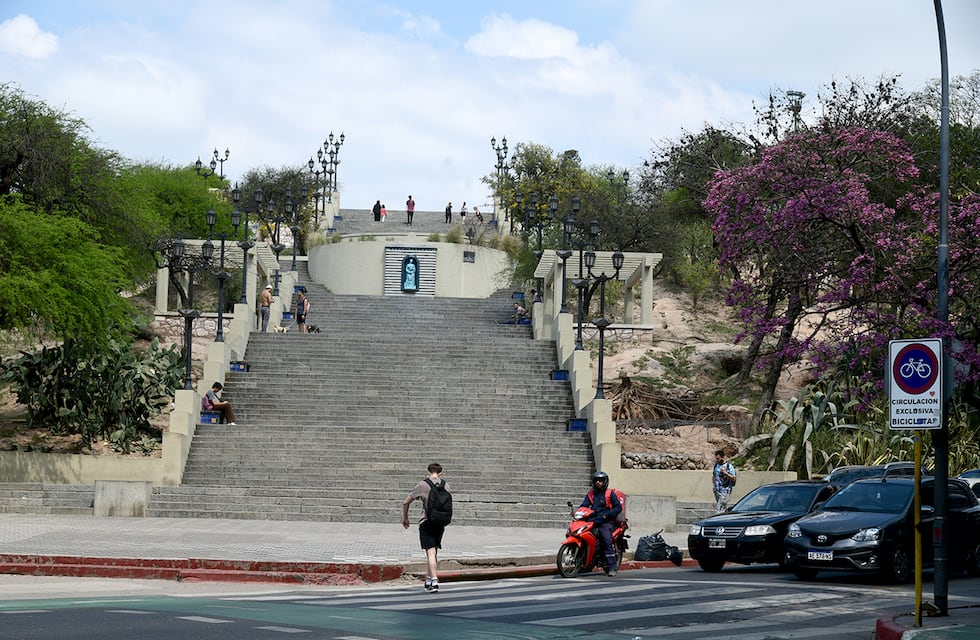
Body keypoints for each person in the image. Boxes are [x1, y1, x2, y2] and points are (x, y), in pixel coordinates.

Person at [402, 462, 449, 593]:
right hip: (440, 522)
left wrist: (405, 518)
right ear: (440, 473)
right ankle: (428, 580)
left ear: (428, 471)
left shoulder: (423, 485)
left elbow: (406, 502)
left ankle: (434, 581)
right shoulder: (446, 485)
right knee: (434, 551)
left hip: (426, 521)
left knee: (430, 552)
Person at [579, 471, 621, 576]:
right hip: (593, 520)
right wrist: (578, 512)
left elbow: (618, 507)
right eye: (596, 481)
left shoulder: (609, 493)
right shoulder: (591, 495)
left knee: (606, 539)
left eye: (600, 481)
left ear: (605, 482)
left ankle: (612, 567)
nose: (598, 483)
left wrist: (607, 515)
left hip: (606, 521)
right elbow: (583, 506)